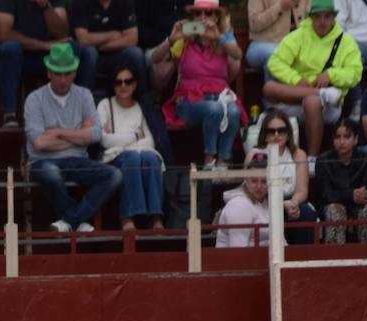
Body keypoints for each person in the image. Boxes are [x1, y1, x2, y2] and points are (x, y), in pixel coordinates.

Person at [23, 42, 121, 232]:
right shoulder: (34, 99)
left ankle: (69, 220)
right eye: (58, 73)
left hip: (78, 160)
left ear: (75, 72)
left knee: (114, 175)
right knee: (50, 173)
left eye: (67, 73)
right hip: (43, 161)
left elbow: (95, 134)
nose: (62, 79)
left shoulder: (84, 95)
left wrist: (58, 132)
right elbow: (39, 142)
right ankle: (78, 221)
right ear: (49, 72)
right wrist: (78, 134)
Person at [263, 0, 361, 157]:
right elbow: (274, 62)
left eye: (327, 16)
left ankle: (312, 158)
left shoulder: (346, 41)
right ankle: (318, 93)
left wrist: (330, 74)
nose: (322, 21)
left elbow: (355, 73)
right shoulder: (298, 36)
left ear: (334, 18)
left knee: (311, 101)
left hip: (329, 103)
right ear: (310, 17)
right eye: (317, 17)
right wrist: (296, 80)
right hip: (298, 95)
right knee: (268, 88)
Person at [152, 0, 241, 169]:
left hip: (219, 96)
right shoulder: (186, 39)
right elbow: (155, 59)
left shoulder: (224, 37)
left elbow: (237, 54)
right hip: (189, 100)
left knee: (234, 111)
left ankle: (223, 161)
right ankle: (209, 159)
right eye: (198, 13)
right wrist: (172, 39)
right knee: (213, 109)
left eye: (208, 13)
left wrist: (218, 38)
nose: (202, 17)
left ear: (216, 17)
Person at [96, 64, 170, 229]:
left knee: (151, 158)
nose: (123, 86)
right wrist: (135, 136)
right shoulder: (105, 105)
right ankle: (127, 217)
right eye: (118, 82)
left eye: (128, 81)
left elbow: (150, 142)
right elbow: (104, 140)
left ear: (135, 84)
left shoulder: (140, 107)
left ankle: (156, 217)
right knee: (133, 158)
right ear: (113, 85)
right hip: (113, 157)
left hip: (138, 154)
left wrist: (119, 139)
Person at [0, 0, 78, 127]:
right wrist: (43, 45)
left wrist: (45, 6)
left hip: (37, 56)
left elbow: (62, 33)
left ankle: (73, 112)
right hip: (2, 56)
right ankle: (9, 115)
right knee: (12, 49)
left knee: (75, 49)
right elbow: (4, 35)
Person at [253, 106, 318, 243]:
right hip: (264, 202)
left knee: (305, 212)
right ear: (265, 135)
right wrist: (281, 205)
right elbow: (255, 192)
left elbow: (302, 191)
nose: (277, 135)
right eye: (271, 131)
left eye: (281, 131)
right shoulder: (255, 154)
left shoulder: (298, 154)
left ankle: (302, 259)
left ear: (288, 133)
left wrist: (293, 204)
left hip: (291, 201)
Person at [315, 117, 367, 243]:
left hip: (359, 207)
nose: (341, 142)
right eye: (337, 137)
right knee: (334, 210)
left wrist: (356, 197)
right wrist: (350, 195)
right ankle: (335, 258)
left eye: (347, 137)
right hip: (334, 207)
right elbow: (325, 195)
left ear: (356, 139)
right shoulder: (323, 161)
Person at [70, 0, 145, 90]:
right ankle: (84, 97)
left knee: (136, 54)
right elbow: (83, 39)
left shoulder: (125, 2)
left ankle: (141, 99)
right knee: (90, 52)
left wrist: (97, 44)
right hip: (90, 56)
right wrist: (112, 35)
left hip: (116, 54)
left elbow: (132, 39)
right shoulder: (80, 3)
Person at [214, 152, 272, 246]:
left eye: (264, 181)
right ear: (246, 180)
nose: (259, 186)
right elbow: (239, 251)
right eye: (254, 181)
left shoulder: (267, 203)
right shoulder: (239, 205)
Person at [245, 0, 310, 71]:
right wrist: (280, 7)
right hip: (263, 44)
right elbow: (255, 24)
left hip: (297, 45)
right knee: (276, 55)